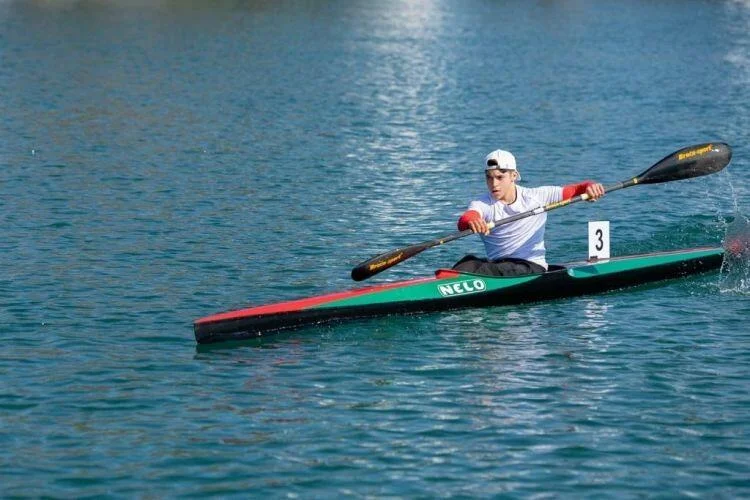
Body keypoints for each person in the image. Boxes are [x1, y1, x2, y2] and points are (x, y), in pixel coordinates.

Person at [453, 149, 605, 276]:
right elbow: (466, 219)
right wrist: (472, 222)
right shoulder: (482, 203)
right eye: (489, 178)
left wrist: (591, 187)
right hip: (499, 267)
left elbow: (578, 189)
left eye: (500, 177)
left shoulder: (537, 197)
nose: (494, 184)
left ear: (514, 176)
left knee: (486, 269)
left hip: (531, 266)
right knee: (467, 263)